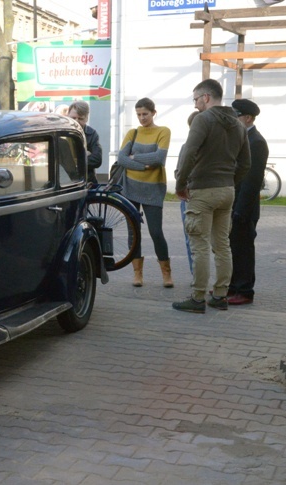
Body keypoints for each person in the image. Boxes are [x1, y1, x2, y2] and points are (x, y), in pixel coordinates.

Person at [173, 79, 251, 313]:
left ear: (206, 97)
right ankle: (220, 295)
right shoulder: (238, 124)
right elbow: (246, 163)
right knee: (222, 245)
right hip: (227, 191)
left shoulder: (202, 120)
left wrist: (180, 184)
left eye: (196, 99)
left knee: (200, 246)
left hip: (203, 190)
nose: (195, 104)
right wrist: (229, 182)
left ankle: (197, 298)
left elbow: (189, 153)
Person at [116, 98, 173, 288]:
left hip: (153, 189)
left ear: (153, 113)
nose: (141, 118)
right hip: (130, 188)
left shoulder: (163, 131)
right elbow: (121, 159)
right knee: (134, 232)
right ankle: (137, 274)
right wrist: (143, 166)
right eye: (139, 114)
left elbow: (159, 157)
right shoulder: (132, 133)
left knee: (156, 232)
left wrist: (135, 157)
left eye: (145, 114)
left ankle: (166, 274)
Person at [227, 99, 269, 305]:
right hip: (234, 204)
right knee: (233, 248)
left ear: (248, 118)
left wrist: (240, 211)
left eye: (236, 116)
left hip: (244, 208)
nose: (234, 120)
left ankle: (244, 291)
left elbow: (252, 181)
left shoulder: (256, 142)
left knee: (243, 250)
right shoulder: (242, 138)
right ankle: (233, 287)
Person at [175, 110, 200, 276]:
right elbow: (178, 171)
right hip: (189, 197)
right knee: (190, 238)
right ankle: (196, 275)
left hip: (200, 196)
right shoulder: (185, 147)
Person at [67, 100, 102, 184]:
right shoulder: (61, 133)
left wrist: (74, 161)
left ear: (86, 118)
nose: (76, 121)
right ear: (68, 116)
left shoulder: (92, 133)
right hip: (67, 182)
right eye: (73, 118)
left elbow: (97, 160)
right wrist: (84, 155)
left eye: (80, 118)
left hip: (88, 182)